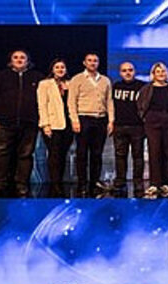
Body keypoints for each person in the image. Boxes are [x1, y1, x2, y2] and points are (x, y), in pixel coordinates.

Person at [0, 49, 42, 198]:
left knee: (25, 155)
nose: (19, 59)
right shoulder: (1, 76)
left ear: (28, 60)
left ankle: (22, 185)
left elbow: (44, 100)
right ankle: (0, 185)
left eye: (22, 57)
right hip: (5, 122)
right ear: (11, 60)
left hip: (29, 123)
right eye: (15, 57)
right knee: (1, 154)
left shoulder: (37, 77)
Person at [68, 53, 115, 198]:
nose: (92, 63)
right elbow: (71, 101)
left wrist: (111, 120)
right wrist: (74, 120)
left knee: (97, 153)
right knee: (82, 153)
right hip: (84, 118)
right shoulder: (77, 79)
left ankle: (94, 182)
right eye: (90, 60)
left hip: (100, 119)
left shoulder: (105, 80)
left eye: (95, 61)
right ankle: (82, 183)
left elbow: (109, 101)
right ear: (84, 62)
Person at [137, 62, 168, 198]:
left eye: (163, 71)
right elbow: (140, 105)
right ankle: (154, 183)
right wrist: (145, 117)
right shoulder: (146, 89)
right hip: (152, 122)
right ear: (153, 74)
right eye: (158, 72)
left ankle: (165, 183)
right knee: (154, 152)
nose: (161, 74)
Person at [38, 59, 75, 197]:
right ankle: (55, 184)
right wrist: (45, 124)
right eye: (57, 67)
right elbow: (42, 105)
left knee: (63, 154)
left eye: (62, 67)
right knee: (54, 154)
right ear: (52, 69)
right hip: (53, 124)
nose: (60, 69)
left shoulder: (71, 84)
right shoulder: (45, 84)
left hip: (68, 124)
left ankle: (60, 181)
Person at [111, 61, 145, 197]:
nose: (127, 73)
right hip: (119, 126)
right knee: (120, 156)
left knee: (138, 156)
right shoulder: (115, 86)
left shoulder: (142, 87)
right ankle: (120, 181)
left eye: (130, 70)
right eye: (124, 70)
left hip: (137, 126)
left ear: (134, 71)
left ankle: (138, 182)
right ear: (120, 73)